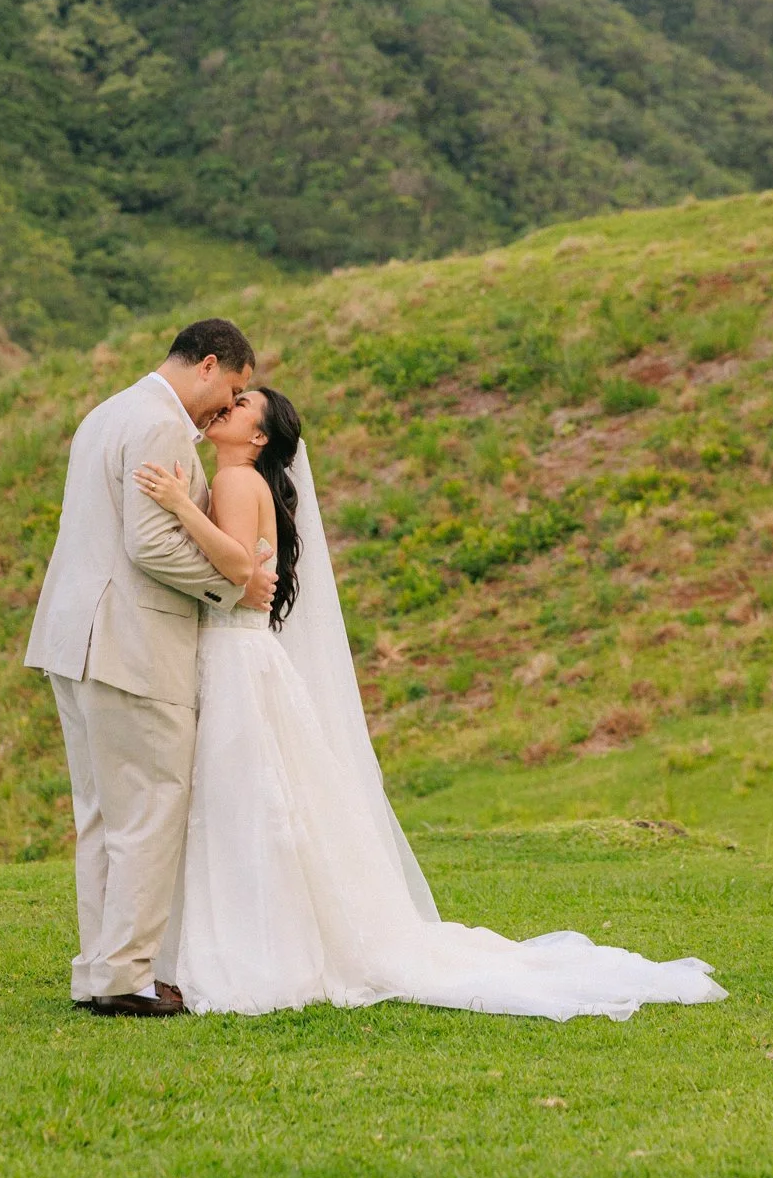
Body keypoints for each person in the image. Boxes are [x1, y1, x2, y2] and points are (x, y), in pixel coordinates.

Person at [134, 387, 729, 1021]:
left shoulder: (233, 480)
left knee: (239, 799)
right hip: (245, 655)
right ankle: (264, 940)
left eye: (244, 401)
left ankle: (249, 949)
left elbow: (231, 565)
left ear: (258, 436)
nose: (229, 401)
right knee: (258, 801)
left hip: (233, 658)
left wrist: (176, 506)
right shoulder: (240, 478)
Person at [23, 318, 274, 1017]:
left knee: (103, 813)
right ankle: (126, 977)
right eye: (229, 389)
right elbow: (151, 548)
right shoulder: (163, 425)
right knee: (151, 808)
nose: (225, 408)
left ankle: (96, 969)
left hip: (74, 639)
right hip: (131, 641)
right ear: (208, 364)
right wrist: (232, 585)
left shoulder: (107, 412)